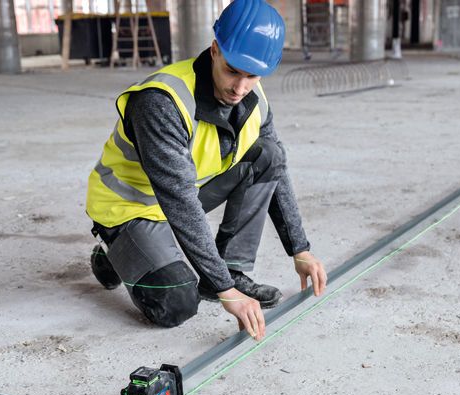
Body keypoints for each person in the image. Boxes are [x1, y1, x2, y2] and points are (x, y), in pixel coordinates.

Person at [85, 0, 326, 341]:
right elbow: (179, 200)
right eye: (232, 70)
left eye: (252, 75)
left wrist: (299, 249)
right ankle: (115, 252)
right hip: (129, 206)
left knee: (267, 154)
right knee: (177, 303)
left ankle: (231, 267)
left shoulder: (254, 96)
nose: (240, 88)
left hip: (183, 194)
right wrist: (226, 291)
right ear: (215, 50)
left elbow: (276, 166)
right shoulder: (161, 101)